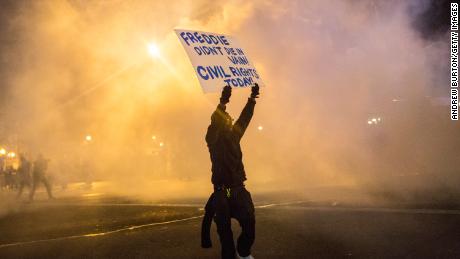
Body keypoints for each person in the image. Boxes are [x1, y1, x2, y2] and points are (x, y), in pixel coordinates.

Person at [205, 83, 259, 259]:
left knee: (249, 222)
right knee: (224, 230)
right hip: (224, 191)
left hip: (237, 188)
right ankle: (229, 256)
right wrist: (222, 103)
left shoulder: (234, 136)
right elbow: (214, 122)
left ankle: (243, 252)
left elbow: (244, 119)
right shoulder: (213, 139)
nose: (230, 121)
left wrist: (251, 100)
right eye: (227, 119)